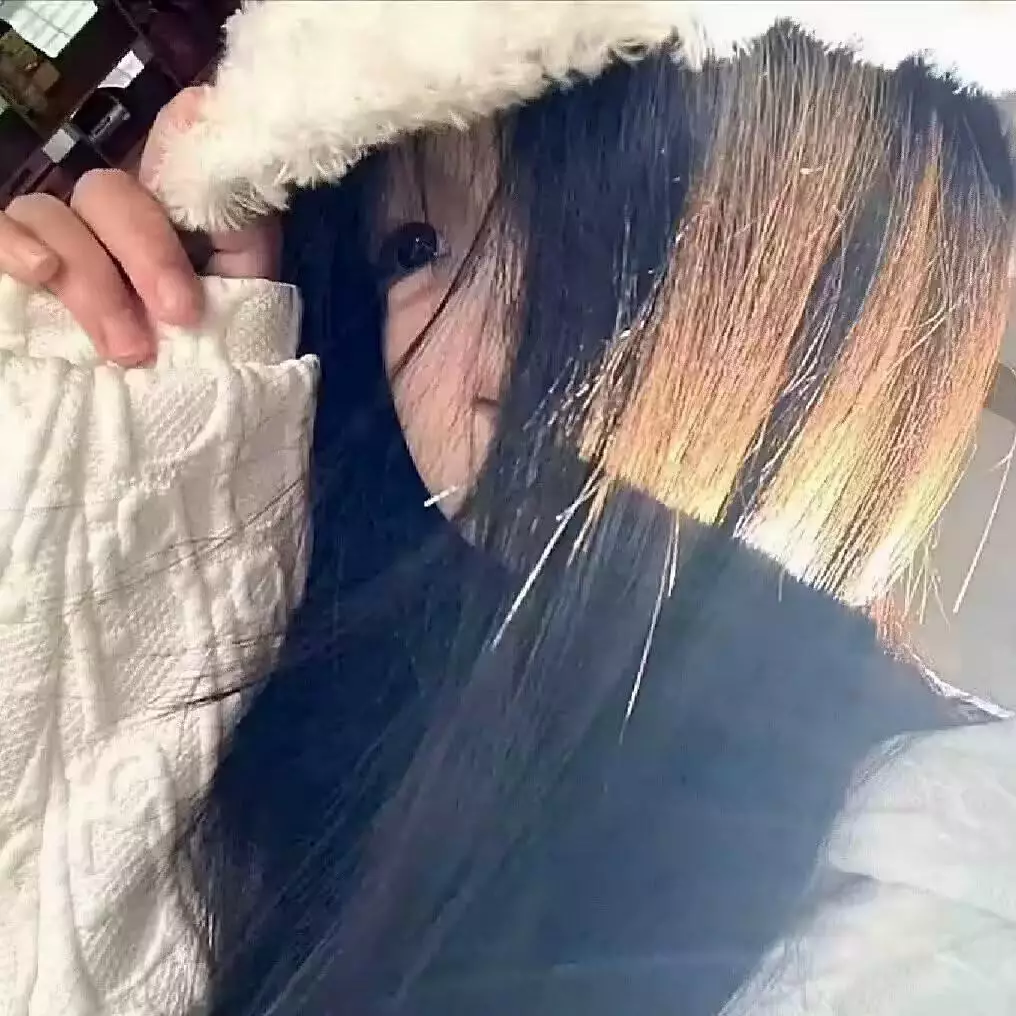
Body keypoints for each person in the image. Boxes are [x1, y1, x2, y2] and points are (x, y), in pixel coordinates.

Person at [2, 13, 1016, 1016]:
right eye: (415, 246)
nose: (496, 363)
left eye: (631, 225)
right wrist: (111, 426)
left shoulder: (937, 884)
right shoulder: (327, 668)